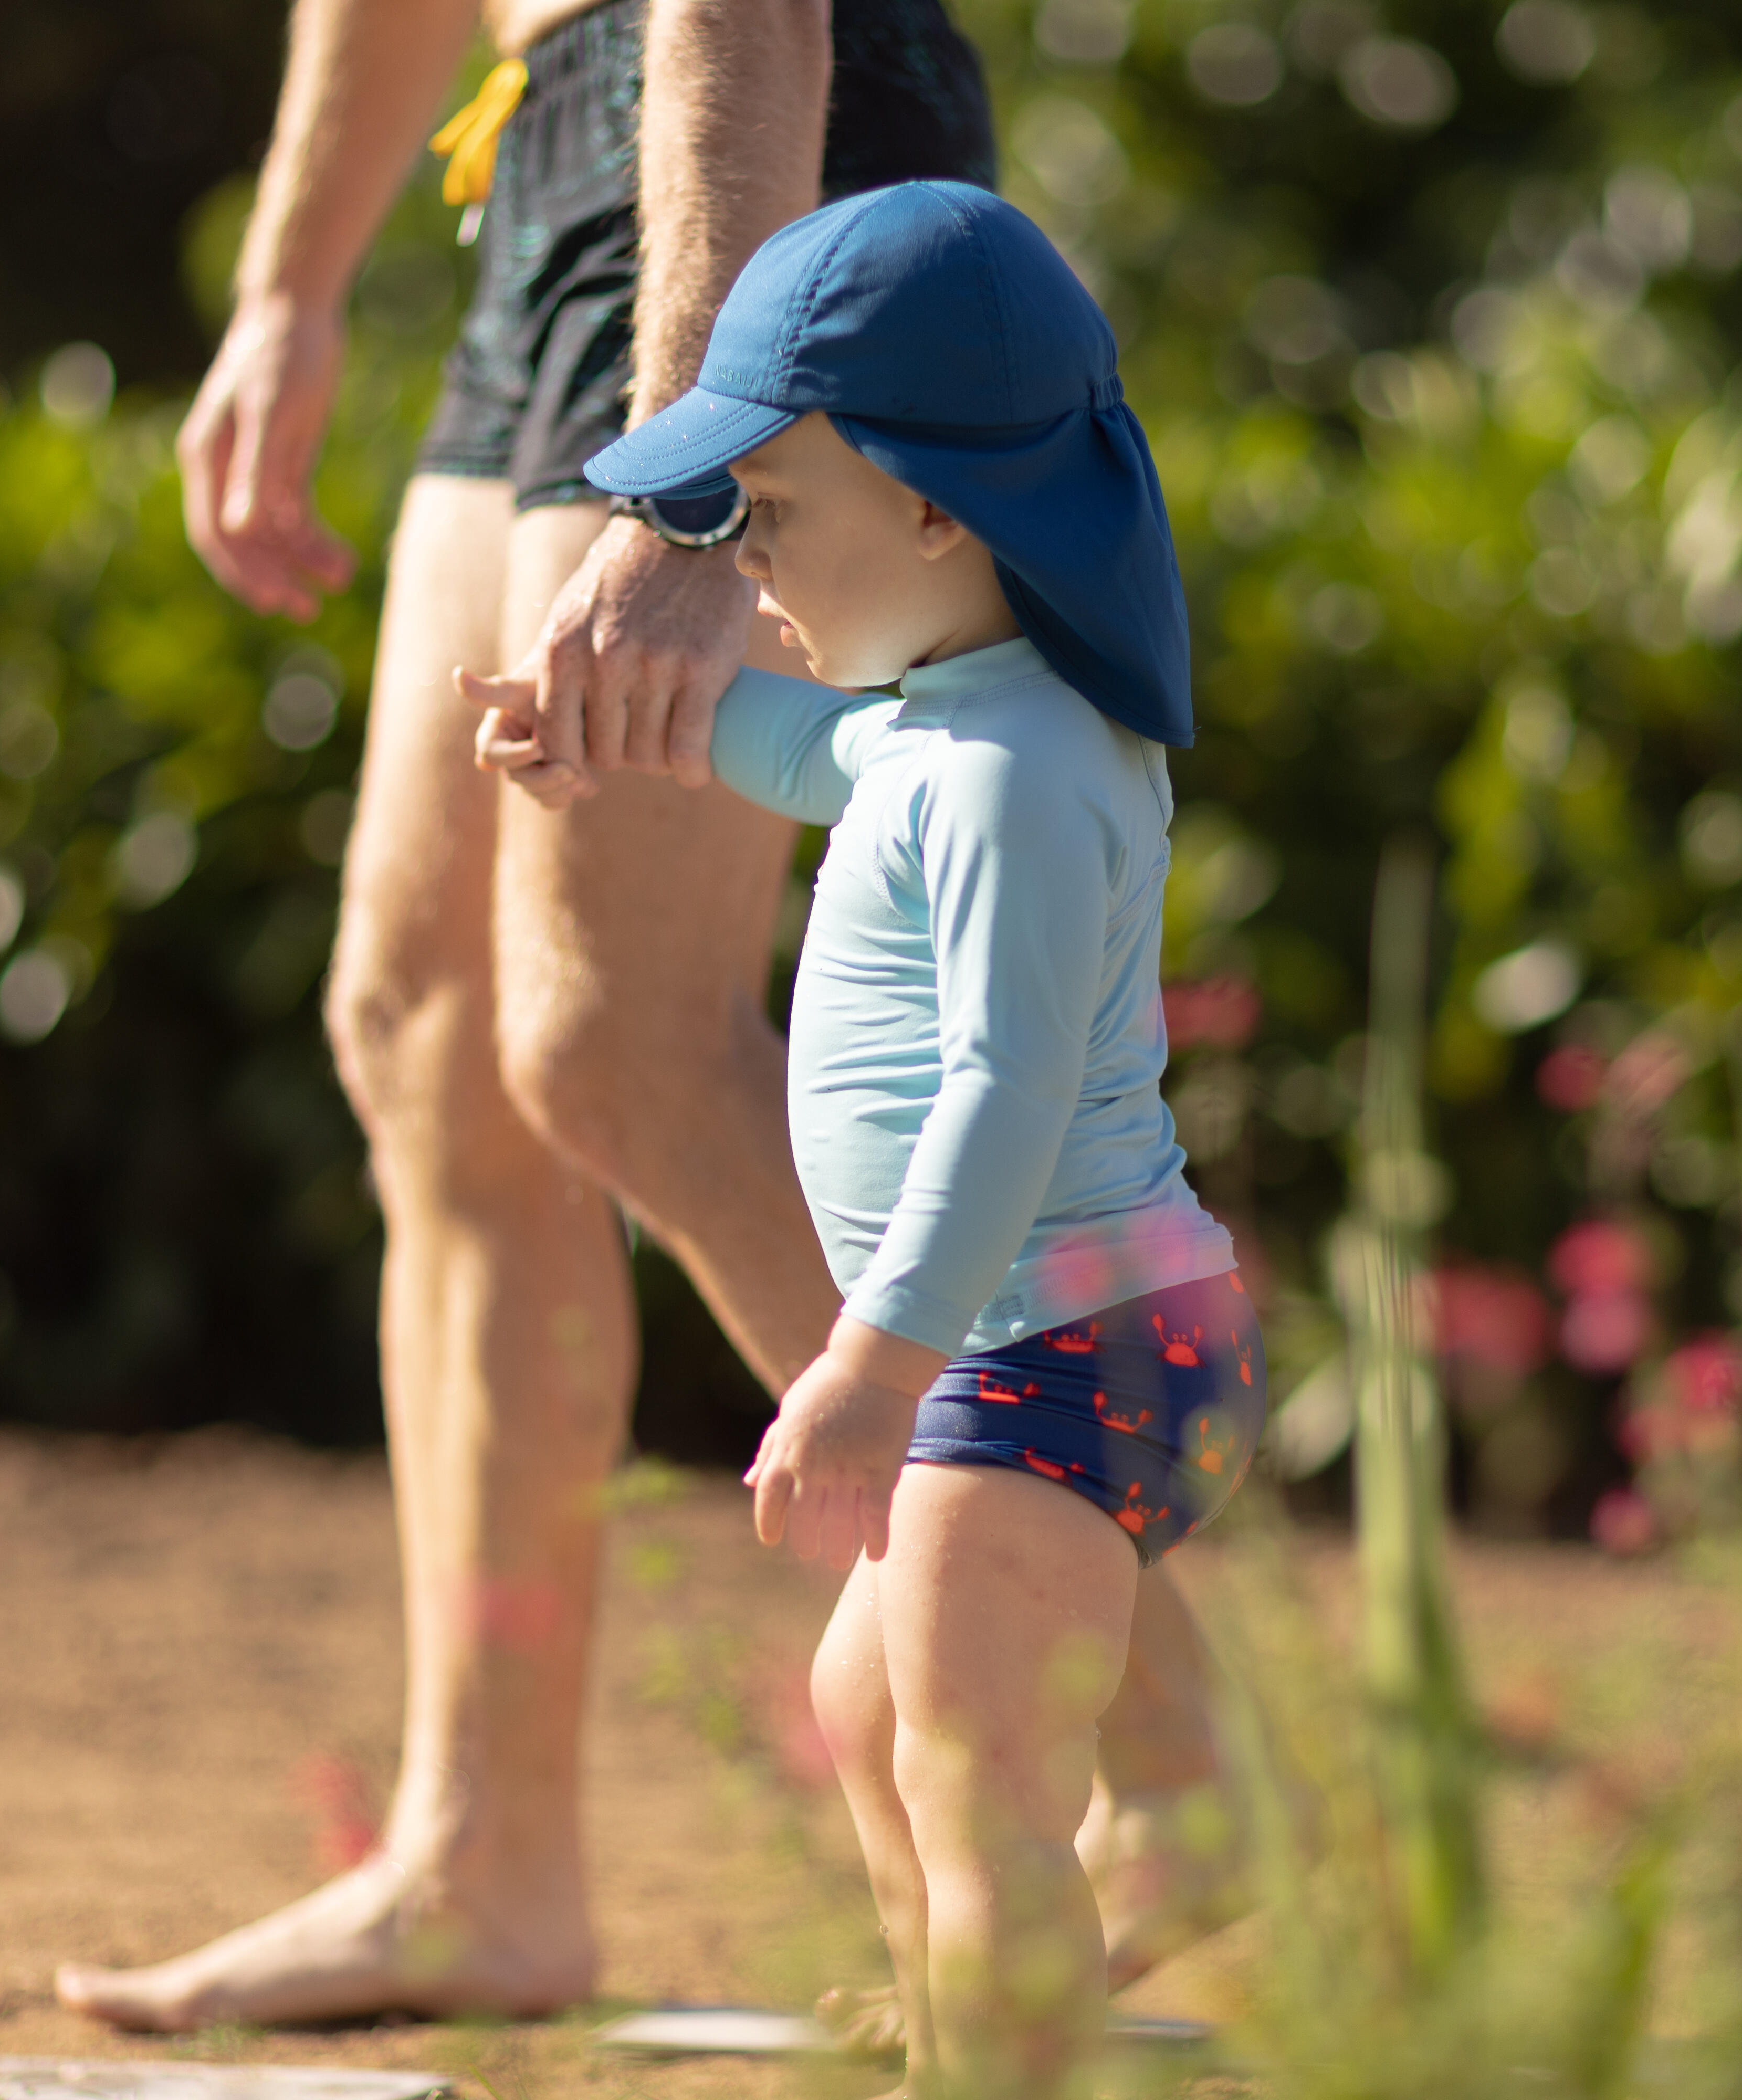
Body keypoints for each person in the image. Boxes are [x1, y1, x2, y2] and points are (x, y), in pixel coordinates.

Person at [54, 0, 1241, 2037]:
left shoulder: (1022, 764)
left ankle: (1164, 1754)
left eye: (764, 514)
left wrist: (696, 495)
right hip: (540, 147)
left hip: (738, 136)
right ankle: (480, 1860)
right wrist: (292, 282)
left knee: (613, 1035)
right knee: (429, 1034)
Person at [476, 179, 1264, 2097]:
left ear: (936, 509)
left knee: (980, 1756)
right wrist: (599, 733)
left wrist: (871, 1363)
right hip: (1044, 1335)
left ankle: (1002, 2061)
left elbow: (1005, 1089)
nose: (743, 558)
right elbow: (775, 744)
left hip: (1053, 1337)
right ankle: (952, 2025)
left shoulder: (1015, 776)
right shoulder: (947, 725)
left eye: (770, 508)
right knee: (875, 1699)